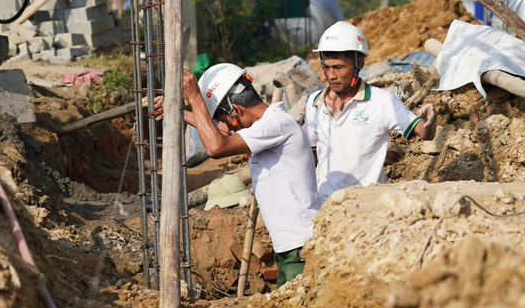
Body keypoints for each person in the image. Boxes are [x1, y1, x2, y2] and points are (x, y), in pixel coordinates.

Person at [157, 64, 320, 287]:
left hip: (300, 246)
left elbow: (217, 146)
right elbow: (219, 133)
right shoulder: (266, 126)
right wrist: (180, 112)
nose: (225, 127)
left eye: (223, 119)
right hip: (288, 246)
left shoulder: (275, 124)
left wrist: (195, 98)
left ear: (237, 110)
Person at [305, 21, 437, 203]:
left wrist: (430, 119)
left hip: (366, 205)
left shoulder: (381, 101)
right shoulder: (314, 103)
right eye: (326, 67)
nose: (331, 75)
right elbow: (311, 157)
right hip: (325, 207)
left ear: (359, 63)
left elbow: (424, 133)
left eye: (338, 67)